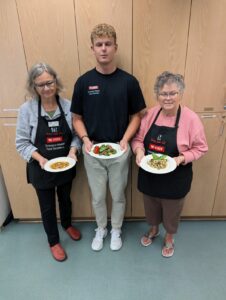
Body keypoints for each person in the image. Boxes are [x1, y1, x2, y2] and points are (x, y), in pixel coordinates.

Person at [70, 23, 146, 251]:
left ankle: (116, 230)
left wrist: (125, 139)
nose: (103, 49)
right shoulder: (83, 82)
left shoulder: (128, 82)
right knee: (97, 197)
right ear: (92, 48)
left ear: (115, 47)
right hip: (92, 153)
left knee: (118, 195)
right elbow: (76, 118)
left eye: (108, 44)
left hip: (119, 152)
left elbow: (137, 116)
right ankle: (101, 228)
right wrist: (84, 140)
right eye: (99, 44)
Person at [131, 71, 208, 257]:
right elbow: (138, 139)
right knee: (151, 206)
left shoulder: (191, 119)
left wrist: (181, 158)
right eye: (163, 93)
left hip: (176, 177)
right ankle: (154, 229)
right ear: (157, 94)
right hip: (149, 174)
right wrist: (139, 151)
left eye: (173, 93)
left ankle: (169, 236)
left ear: (180, 94)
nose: (168, 98)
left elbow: (201, 148)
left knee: (172, 211)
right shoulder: (150, 114)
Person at [16, 63, 82, 262]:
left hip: (65, 165)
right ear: (33, 87)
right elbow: (21, 143)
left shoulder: (69, 106)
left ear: (56, 82)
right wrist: (41, 159)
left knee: (65, 199)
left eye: (49, 82)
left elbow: (78, 135)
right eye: (40, 85)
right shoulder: (27, 110)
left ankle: (67, 224)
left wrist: (73, 151)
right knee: (47, 207)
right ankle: (53, 241)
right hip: (41, 168)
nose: (46, 88)